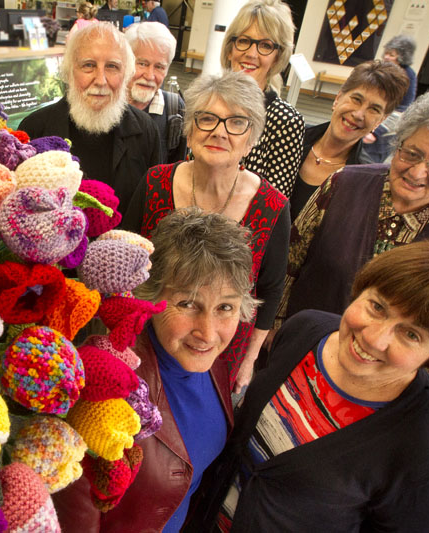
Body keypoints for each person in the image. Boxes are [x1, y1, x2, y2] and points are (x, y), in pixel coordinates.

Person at [193, 240, 429, 532]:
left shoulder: (427, 457)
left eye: (411, 335)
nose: (374, 338)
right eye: (377, 307)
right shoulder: (305, 330)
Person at [54, 207, 259, 532]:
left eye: (225, 307)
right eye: (188, 304)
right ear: (150, 294)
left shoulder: (214, 365)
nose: (208, 332)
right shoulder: (102, 391)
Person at [122, 72, 290, 394]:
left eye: (236, 122)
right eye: (207, 118)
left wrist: (250, 359)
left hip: (222, 347)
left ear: (251, 138)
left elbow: (270, 290)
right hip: (150, 338)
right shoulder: (155, 182)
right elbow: (128, 263)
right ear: (189, 129)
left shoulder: (271, 206)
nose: (219, 132)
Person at [276, 84, 429, 335]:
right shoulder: (341, 183)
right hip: (305, 338)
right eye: (411, 153)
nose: (417, 172)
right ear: (398, 144)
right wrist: (275, 325)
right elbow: (290, 261)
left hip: (386, 363)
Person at [19, 22, 162, 212]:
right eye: (88, 65)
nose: (101, 80)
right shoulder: (35, 129)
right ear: (69, 72)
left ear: (126, 74)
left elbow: (152, 208)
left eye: (112, 67)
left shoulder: (146, 131)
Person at [288, 60, 409, 220]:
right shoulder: (291, 137)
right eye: (356, 99)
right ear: (338, 98)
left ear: (380, 121)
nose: (359, 114)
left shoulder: (365, 179)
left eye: (374, 109)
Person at [220, 0, 304, 199]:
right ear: (231, 48)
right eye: (244, 40)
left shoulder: (285, 120)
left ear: (277, 56)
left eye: (265, 45)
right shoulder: (209, 103)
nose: (251, 53)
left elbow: (273, 204)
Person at [124, 22, 187, 164]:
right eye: (142, 64)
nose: (150, 75)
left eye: (159, 67)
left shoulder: (174, 109)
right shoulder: (106, 104)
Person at [363, 35, 419, 163]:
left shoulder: (408, 75)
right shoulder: (384, 70)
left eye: (392, 55)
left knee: (369, 161)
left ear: (402, 57)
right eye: (387, 53)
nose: (387, 57)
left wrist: (377, 132)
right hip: (373, 120)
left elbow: (403, 109)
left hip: (386, 129)